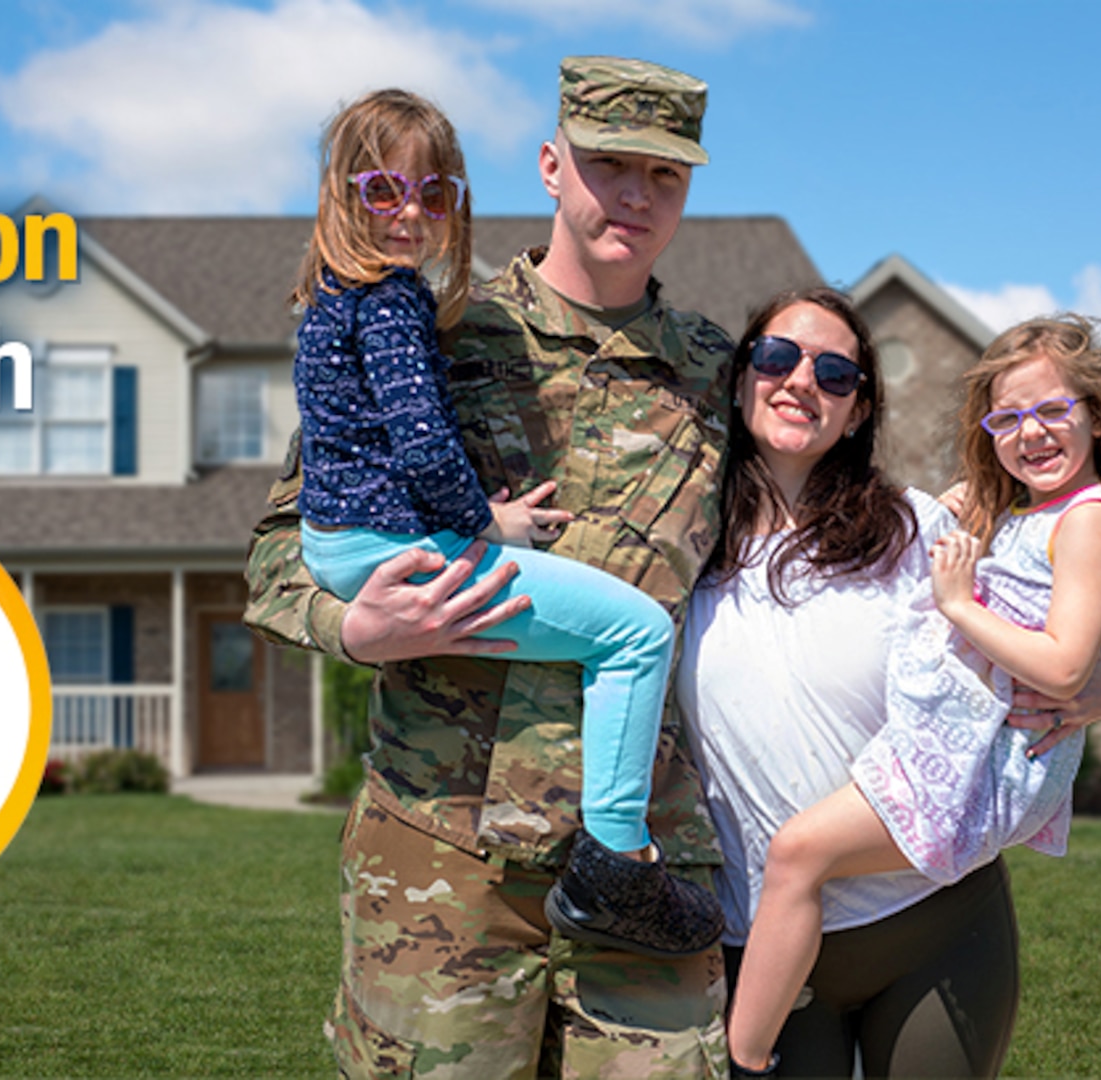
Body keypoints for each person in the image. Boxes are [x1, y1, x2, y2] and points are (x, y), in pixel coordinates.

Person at [247, 56, 738, 1078]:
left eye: (665, 175)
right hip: (441, 865)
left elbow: (813, 547)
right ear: (551, 167)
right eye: (609, 165)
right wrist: (354, 628)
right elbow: (278, 551)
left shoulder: (718, 373)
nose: (635, 197)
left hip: (640, 874)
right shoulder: (433, 328)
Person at [680, 293, 1101, 1078]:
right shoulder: (677, 534)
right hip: (767, 940)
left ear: (859, 410)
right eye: (778, 358)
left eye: (834, 371)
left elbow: (1061, 617)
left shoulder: (913, 527)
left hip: (935, 923)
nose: (801, 382)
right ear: (740, 377)